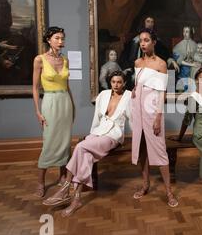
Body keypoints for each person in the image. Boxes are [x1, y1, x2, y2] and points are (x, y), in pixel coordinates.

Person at [42, 71, 132, 216]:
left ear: (124, 83)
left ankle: (65, 188)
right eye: (114, 82)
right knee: (86, 155)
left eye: (119, 82)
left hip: (114, 135)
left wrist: (137, 138)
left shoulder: (128, 97)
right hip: (98, 132)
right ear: (110, 82)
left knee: (80, 146)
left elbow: (133, 119)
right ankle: (76, 198)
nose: (116, 85)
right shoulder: (103, 95)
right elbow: (96, 117)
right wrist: (91, 135)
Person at [131, 28, 178, 208]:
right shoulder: (137, 63)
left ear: (154, 42)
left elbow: (161, 93)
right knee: (141, 148)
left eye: (146, 40)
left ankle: (168, 192)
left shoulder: (161, 64)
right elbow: (138, 85)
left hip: (152, 111)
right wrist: (135, 89)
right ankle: (145, 184)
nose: (143, 43)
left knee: (159, 151)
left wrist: (158, 117)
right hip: (138, 110)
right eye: (141, 40)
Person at [32, 26, 75, 197]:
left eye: (62, 38)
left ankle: (63, 176)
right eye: (57, 38)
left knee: (65, 141)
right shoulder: (39, 60)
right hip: (49, 102)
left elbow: (67, 86)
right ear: (48, 40)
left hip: (65, 102)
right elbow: (35, 88)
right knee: (49, 142)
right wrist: (37, 111)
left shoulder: (65, 60)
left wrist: (73, 105)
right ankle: (41, 182)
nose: (61, 41)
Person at [120, 16, 173, 89]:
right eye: (148, 21)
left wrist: (170, 59)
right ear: (143, 23)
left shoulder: (157, 42)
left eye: (152, 22)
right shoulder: (133, 42)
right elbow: (125, 56)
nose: (150, 24)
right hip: (134, 69)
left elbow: (165, 53)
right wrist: (126, 68)